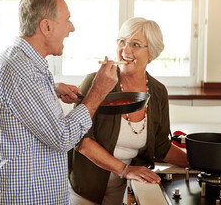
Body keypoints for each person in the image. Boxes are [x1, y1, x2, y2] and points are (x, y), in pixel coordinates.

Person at [0, 0, 118, 204]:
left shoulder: (21, 63)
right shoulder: (21, 71)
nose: (71, 28)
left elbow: (20, 102)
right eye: (67, 21)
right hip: (25, 198)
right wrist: (98, 91)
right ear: (46, 27)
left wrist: (51, 89)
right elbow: (63, 138)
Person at [68, 17, 189, 205]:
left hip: (127, 189)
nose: (125, 50)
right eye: (122, 41)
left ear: (152, 53)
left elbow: (160, 146)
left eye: (135, 44)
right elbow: (82, 141)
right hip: (85, 190)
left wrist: (197, 162)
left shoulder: (158, 92)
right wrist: (125, 170)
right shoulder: (96, 82)